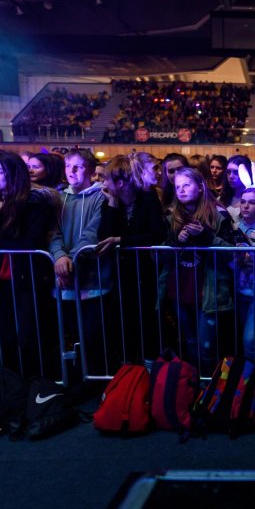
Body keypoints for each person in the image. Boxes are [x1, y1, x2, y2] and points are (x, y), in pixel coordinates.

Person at [0, 150, 57, 378]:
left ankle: (32, 386)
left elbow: (28, 242)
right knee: (0, 334)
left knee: (27, 336)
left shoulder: (35, 203)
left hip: (27, 278)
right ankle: (1, 387)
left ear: (13, 173)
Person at [96, 154, 168, 365]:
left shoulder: (148, 198)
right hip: (122, 274)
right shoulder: (110, 203)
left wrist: (121, 240)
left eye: (107, 179)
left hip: (146, 272)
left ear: (120, 182)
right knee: (124, 324)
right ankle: (129, 373)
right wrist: (111, 203)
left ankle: (149, 368)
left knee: (148, 322)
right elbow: (103, 235)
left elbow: (157, 233)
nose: (103, 183)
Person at [48, 149, 112, 379]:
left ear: (90, 169)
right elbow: (52, 231)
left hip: (92, 279)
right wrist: (58, 257)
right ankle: (74, 379)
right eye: (68, 166)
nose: (71, 171)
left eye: (78, 166)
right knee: (71, 334)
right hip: (63, 276)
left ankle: (93, 380)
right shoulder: (58, 197)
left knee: (93, 334)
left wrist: (70, 261)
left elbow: (91, 233)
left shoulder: (101, 196)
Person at [166, 166, 232, 371]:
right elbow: (157, 254)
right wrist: (176, 241)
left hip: (208, 291)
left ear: (201, 187)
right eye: (178, 187)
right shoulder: (170, 217)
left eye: (187, 185)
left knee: (206, 347)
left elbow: (232, 252)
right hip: (179, 290)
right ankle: (192, 387)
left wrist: (206, 236)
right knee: (189, 342)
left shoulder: (219, 215)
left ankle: (209, 391)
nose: (182, 190)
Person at [233, 168, 255, 363]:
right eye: (243, 201)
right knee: (243, 342)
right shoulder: (235, 227)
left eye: (252, 202)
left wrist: (251, 255)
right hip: (239, 292)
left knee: (250, 340)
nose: (246, 206)